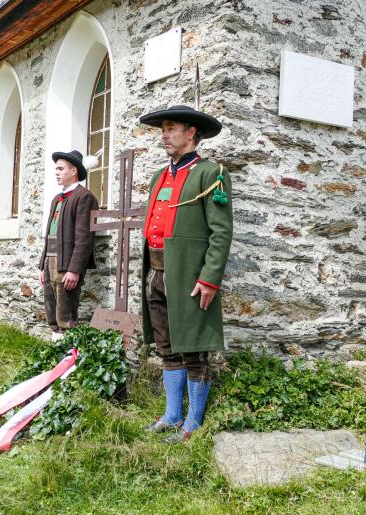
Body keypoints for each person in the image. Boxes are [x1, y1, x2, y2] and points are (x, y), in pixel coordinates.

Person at [139, 105, 233, 442]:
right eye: (162, 128)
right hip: (156, 272)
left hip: (189, 277)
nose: (164, 134)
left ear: (191, 132)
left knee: (193, 349)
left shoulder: (211, 173)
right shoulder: (159, 176)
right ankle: (171, 414)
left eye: (171, 127)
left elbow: (221, 232)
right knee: (167, 346)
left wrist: (209, 278)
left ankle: (192, 423)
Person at [38, 150, 99, 340]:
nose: (56, 172)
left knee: (65, 311)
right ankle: (55, 351)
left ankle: (68, 353)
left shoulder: (84, 197)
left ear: (73, 171)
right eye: (56, 169)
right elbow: (49, 234)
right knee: (50, 305)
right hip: (51, 260)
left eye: (60, 168)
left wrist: (74, 270)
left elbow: (85, 238)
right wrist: (42, 266)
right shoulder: (57, 198)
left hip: (67, 262)